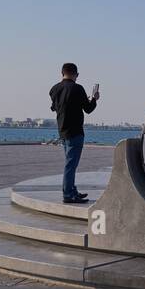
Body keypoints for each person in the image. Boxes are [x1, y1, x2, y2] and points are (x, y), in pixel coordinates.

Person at [48, 62, 99, 204]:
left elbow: (54, 107)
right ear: (76, 74)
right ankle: (68, 194)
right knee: (71, 165)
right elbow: (88, 109)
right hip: (75, 131)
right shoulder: (78, 89)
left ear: (62, 73)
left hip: (62, 131)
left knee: (70, 163)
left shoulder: (54, 89)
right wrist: (94, 98)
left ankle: (72, 189)